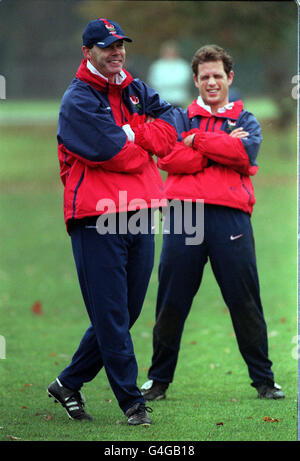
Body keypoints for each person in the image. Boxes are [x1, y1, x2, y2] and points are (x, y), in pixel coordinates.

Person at [47, 18, 177, 426]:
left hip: (139, 212)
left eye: (120, 44)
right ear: (87, 52)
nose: (116, 51)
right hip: (95, 217)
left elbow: (173, 126)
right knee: (112, 316)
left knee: (126, 311)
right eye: (107, 46)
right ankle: (132, 404)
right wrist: (141, 138)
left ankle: (68, 382)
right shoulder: (78, 100)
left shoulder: (136, 90)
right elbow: (109, 152)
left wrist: (132, 132)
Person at [141, 45, 285, 402]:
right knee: (171, 300)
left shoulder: (246, 120)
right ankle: (158, 380)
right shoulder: (177, 118)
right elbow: (170, 157)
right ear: (195, 80)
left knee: (244, 299)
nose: (211, 82)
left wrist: (199, 141)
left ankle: (264, 380)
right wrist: (217, 147)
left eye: (217, 75)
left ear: (229, 77)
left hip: (230, 217)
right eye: (204, 76)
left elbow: (244, 154)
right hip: (184, 215)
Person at [147, 41, 191, 108]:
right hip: (162, 100)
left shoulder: (183, 65)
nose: (170, 54)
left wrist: (166, 82)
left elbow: (183, 81)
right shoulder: (157, 66)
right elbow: (154, 82)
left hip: (179, 100)